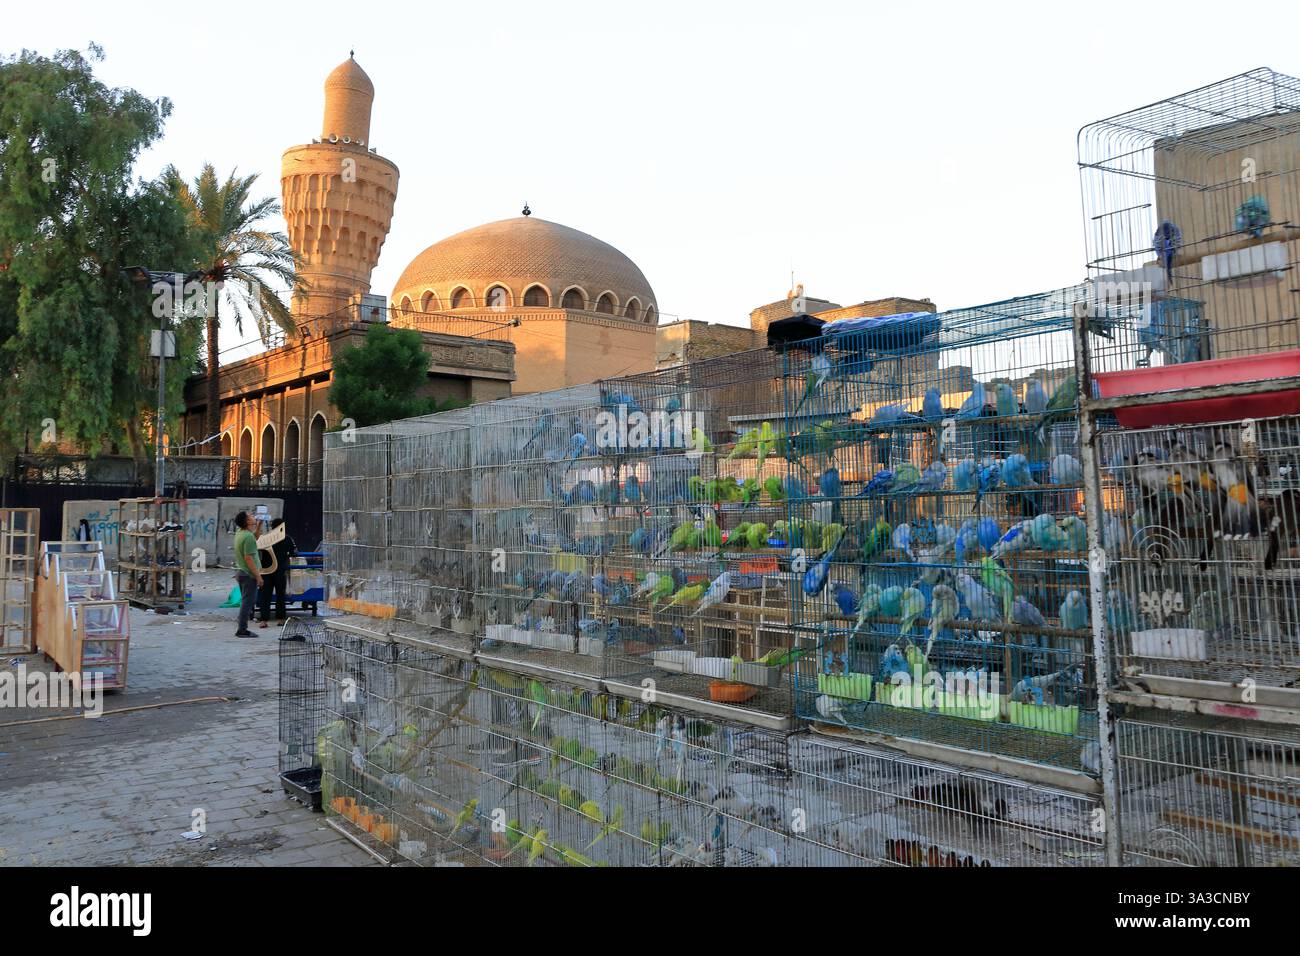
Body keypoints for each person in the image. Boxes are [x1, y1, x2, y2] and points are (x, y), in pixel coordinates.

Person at [257, 517, 297, 627]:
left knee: (265, 596)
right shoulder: (287, 538)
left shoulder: (266, 538)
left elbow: (257, 548)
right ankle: (280, 619)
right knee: (280, 595)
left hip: (265, 571)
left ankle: (263, 620)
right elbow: (294, 553)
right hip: (280, 571)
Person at [231, 510, 262, 638]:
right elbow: (249, 558)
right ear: (247, 521)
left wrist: (258, 526)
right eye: (250, 516)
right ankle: (242, 630)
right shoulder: (247, 536)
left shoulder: (241, 533)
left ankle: (242, 626)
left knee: (247, 601)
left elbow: (255, 538)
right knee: (247, 602)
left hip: (241, 572)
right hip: (248, 574)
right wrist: (258, 576)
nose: (253, 516)